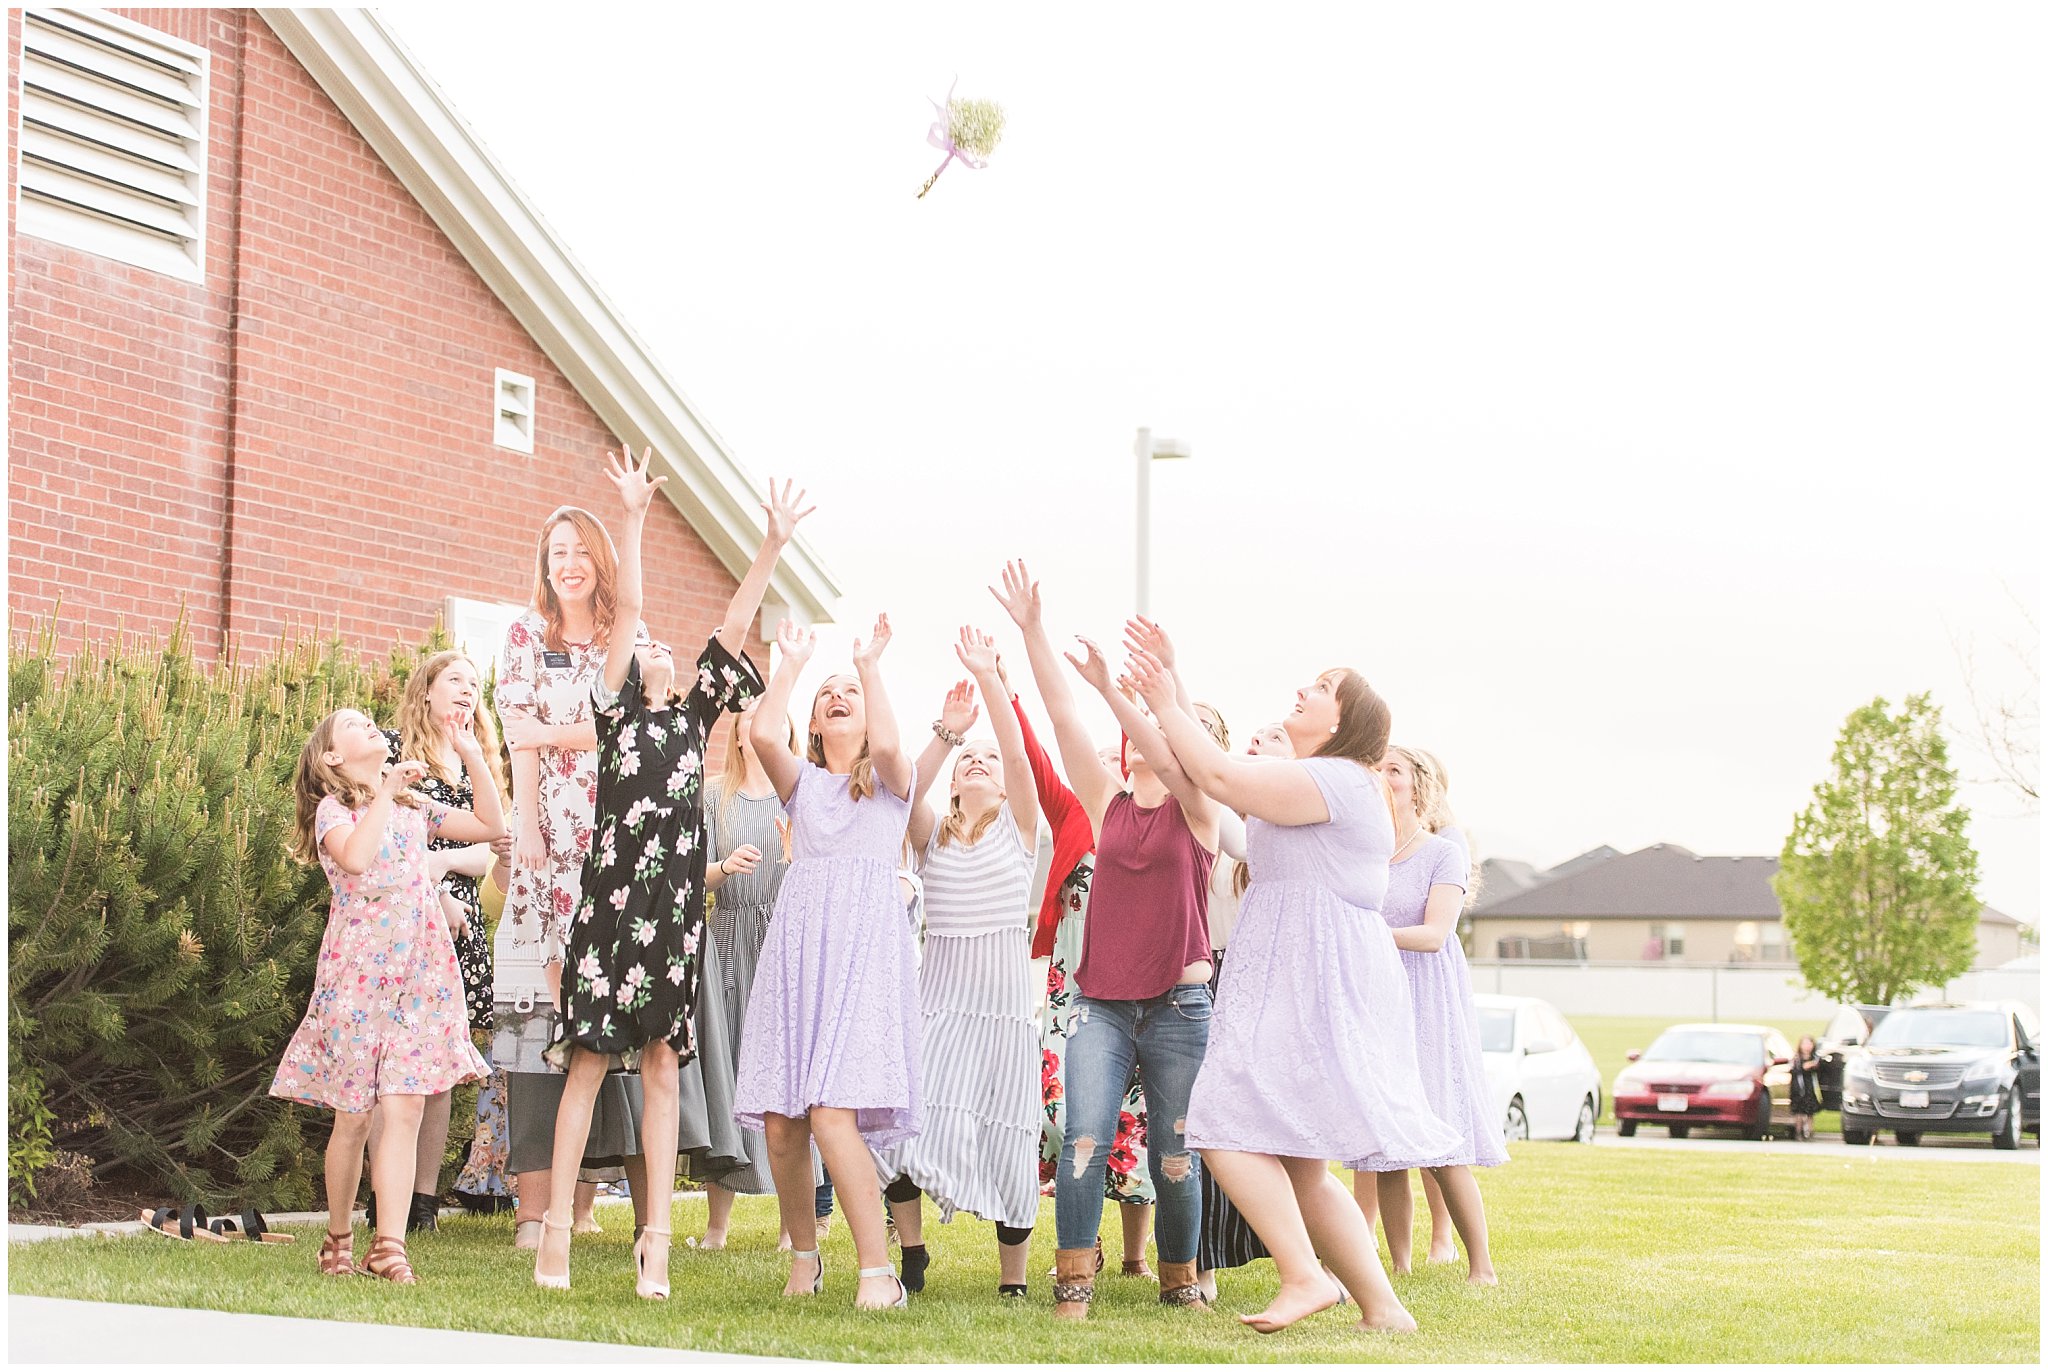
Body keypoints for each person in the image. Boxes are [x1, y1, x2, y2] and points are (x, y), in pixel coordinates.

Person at [1124, 650, 1462, 1333]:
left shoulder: (1335, 779)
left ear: (1349, 721)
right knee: (1302, 1165)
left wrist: (1166, 698)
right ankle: (1385, 1309)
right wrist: (1161, 689)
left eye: (1323, 688)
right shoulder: (1325, 779)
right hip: (1308, 963)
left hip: (1310, 967)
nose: (1303, 691)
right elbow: (1196, 769)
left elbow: (1216, 771)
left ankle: (1305, 1275)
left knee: (1218, 1121)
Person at [531, 452, 798, 1297]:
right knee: (583, 1064)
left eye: (659, 649)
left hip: (677, 916)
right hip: (611, 915)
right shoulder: (613, 717)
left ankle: (657, 1241)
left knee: (656, 1069)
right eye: (637, 644)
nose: (650, 646)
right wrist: (637, 519)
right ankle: (554, 1245)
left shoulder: (693, 719)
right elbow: (633, 607)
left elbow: (734, 622)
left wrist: (770, 546)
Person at [990, 562, 1221, 1318]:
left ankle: (1180, 1282)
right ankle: (1074, 1284)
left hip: (1181, 1006)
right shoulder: (1108, 802)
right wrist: (1034, 631)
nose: (1135, 743)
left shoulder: (1198, 809)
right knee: (1085, 1138)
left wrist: (1141, 685)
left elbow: (1171, 743)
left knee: (1175, 1156)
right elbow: (1060, 722)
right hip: (1102, 1004)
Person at [733, 614, 922, 1311]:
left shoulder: (893, 782)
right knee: (785, 1121)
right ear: (812, 723)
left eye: (850, 693)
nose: (836, 697)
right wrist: (790, 664)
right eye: (826, 694)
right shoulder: (803, 786)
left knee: (832, 1112)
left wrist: (869, 664)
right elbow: (759, 733)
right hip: (800, 947)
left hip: (864, 951)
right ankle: (805, 1256)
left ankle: (878, 1271)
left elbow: (896, 744)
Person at [272, 707, 500, 1283]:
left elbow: (490, 827)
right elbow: (356, 857)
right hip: (358, 978)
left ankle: (390, 1245)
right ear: (332, 758)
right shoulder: (336, 810)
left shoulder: (411, 805)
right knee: (353, 1118)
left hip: (420, 975)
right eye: (354, 724)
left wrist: (471, 754)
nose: (370, 724)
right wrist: (388, 791)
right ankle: (340, 1235)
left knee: (406, 1106)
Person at [496, 502, 654, 1247]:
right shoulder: (524, 634)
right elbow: (515, 733)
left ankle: (597, 1203)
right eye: (555, 549)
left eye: (579, 549)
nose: (567, 562)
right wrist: (526, 825)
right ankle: (536, 1210)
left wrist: (557, 733)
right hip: (546, 843)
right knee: (539, 1024)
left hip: (616, 842)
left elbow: (628, 727)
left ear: (599, 558)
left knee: (609, 1021)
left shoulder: (632, 637)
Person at [875, 630, 1043, 1298]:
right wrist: (950, 730)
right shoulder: (930, 834)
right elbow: (898, 789)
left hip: (1003, 1014)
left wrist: (992, 680)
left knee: (1008, 1140)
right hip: (937, 1005)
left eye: (987, 758)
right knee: (905, 1129)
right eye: (967, 758)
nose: (978, 762)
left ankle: (1014, 1281)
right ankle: (912, 1254)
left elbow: (1025, 762)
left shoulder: (1022, 829)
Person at [366, 650, 505, 1234]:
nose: (467, 691)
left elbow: (495, 844)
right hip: (402, 925)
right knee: (393, 1068)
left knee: (441, 1069)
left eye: (475, 684)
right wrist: (439, 877)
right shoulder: (398, 758)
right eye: (455, 681)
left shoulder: (477, 762)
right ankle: (384, 1198)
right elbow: (385, 845)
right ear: (426, 692)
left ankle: (422, 1203)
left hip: (461, 923)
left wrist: (442, 865)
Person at [1366, 745, 1502, 1284]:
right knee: (1383, 1144)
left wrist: (1367, 933)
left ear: (1419, 785)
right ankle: (1398, 1264)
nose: (1382, 777)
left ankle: (1481, 1266)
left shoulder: (1443, 852)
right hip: (1375, 999)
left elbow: (1433, 934)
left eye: (1392, 770)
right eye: (1377, 769)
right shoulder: (1367, 850)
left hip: (1425, 999)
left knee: (1440, 1138)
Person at [1193, 721, 1293, 1302]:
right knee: (1207, 1129)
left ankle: (1307, 1259)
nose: (1255, 747)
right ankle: (1202, 1264)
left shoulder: (1275, 831)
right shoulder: (1204, 818)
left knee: (1281, 1133)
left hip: (1267, 983)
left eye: (1270, 739)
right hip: (1206, 980)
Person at [695, 702, 797, 1248]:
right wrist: (724, 867)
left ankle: (792, 1225)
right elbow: (690, 875)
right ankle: (717, 1225)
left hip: (783, 947)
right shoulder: (715, 796)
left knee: (786, 1082)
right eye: (749, 722)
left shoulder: (799, 794)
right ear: (736, 737)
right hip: (730, 947)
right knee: (728, 1075)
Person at [1790, 1035, 1823, 1140]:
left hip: (1810, 1089)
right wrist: (1806, 1066)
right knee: (1799, 1112)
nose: (1807, 1047)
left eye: (1809, 1044)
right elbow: (1796, 1070)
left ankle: (1810, 1132)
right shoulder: (1796, 1059)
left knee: (1809, 1112)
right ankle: (1798, 1132)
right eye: (1804, 1044)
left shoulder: (1815, 1059)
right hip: (1798, 1089)